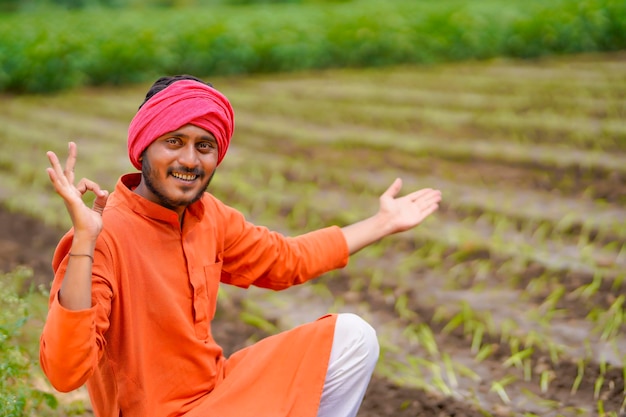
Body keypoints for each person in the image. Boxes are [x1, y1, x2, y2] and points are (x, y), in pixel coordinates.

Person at [39, 75, 442, 417]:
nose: (190, 160)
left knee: (353, 336)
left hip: (218, 397)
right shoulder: (103, 235)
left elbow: (287, 260)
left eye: (204, 146)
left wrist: (383, 222)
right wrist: (86, 242)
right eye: (174, 142)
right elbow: (64, 372)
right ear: (143, 147)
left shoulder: (209, 216)